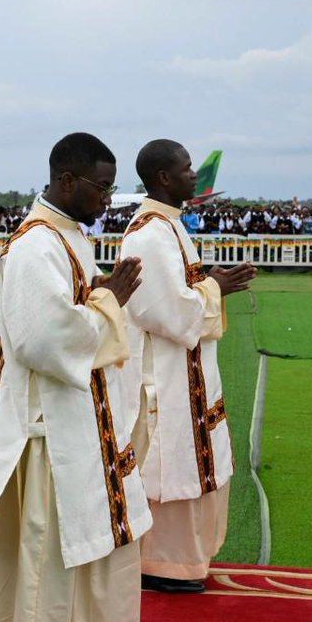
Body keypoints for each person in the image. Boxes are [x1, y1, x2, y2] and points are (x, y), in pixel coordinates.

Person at [0, 133, 152, 622]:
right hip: (50, 428)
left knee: (90, 541)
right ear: (67, 180)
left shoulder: (67, 236)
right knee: (52, 549)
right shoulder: (34, 246)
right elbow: (43, 339)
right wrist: (109, 301)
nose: (108, 198)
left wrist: (98, 296)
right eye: (102, 186)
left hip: (81, 414)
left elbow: (71, 312)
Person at [118, 139, 255, 593]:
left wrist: (211, 285)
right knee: (169, 464)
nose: (193, 175)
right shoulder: (149, 233)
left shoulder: (171, 226)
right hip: (167, 374)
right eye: (186, 167)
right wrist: (216, 288)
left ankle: (184, 561)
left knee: (194, 459)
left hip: (190, 368)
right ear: (163, 177)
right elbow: (165, 311)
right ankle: (162, 563)